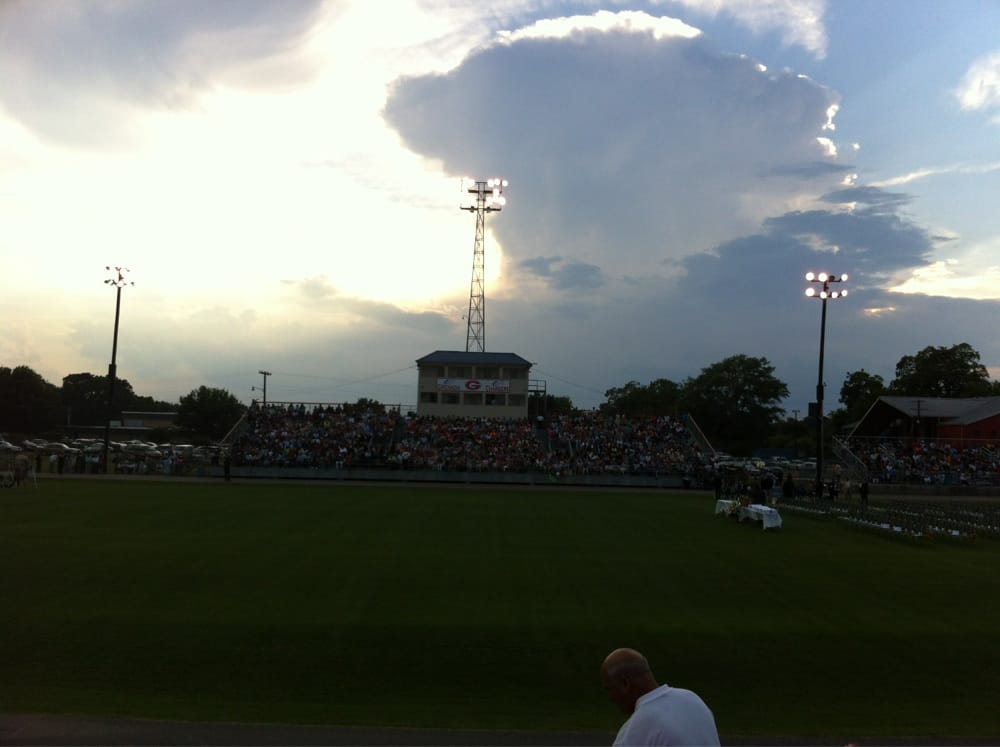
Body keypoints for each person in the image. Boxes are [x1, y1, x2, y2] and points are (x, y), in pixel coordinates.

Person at [601, 648, 720, 746]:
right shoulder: (692, 698)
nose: (611, 698)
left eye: (610, 689)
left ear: (625, 683)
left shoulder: (636, 729)